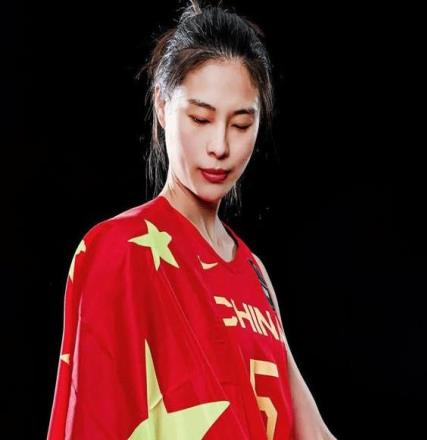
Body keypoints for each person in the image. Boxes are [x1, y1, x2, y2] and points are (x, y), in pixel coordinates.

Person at [46, 1, 337, 439]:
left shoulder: (254, 272)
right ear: (163, 106)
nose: (220, 146)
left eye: (241, 124)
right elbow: (96, 420)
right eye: (201, 118)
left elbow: (311, 432)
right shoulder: (117, 249)